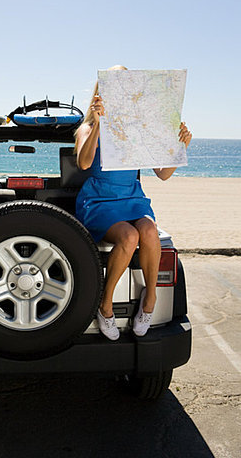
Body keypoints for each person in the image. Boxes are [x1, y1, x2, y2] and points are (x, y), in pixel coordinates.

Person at [75, 66, 192, 340]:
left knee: (150, 231)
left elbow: (163, 174)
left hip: (132, 198)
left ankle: (149, 301)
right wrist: (100, 124)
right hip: (99, 200)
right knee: (129, 236)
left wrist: (180, 146)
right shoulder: (88, 127)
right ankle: (105, 305)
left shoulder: (139, 128)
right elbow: (84, 162)